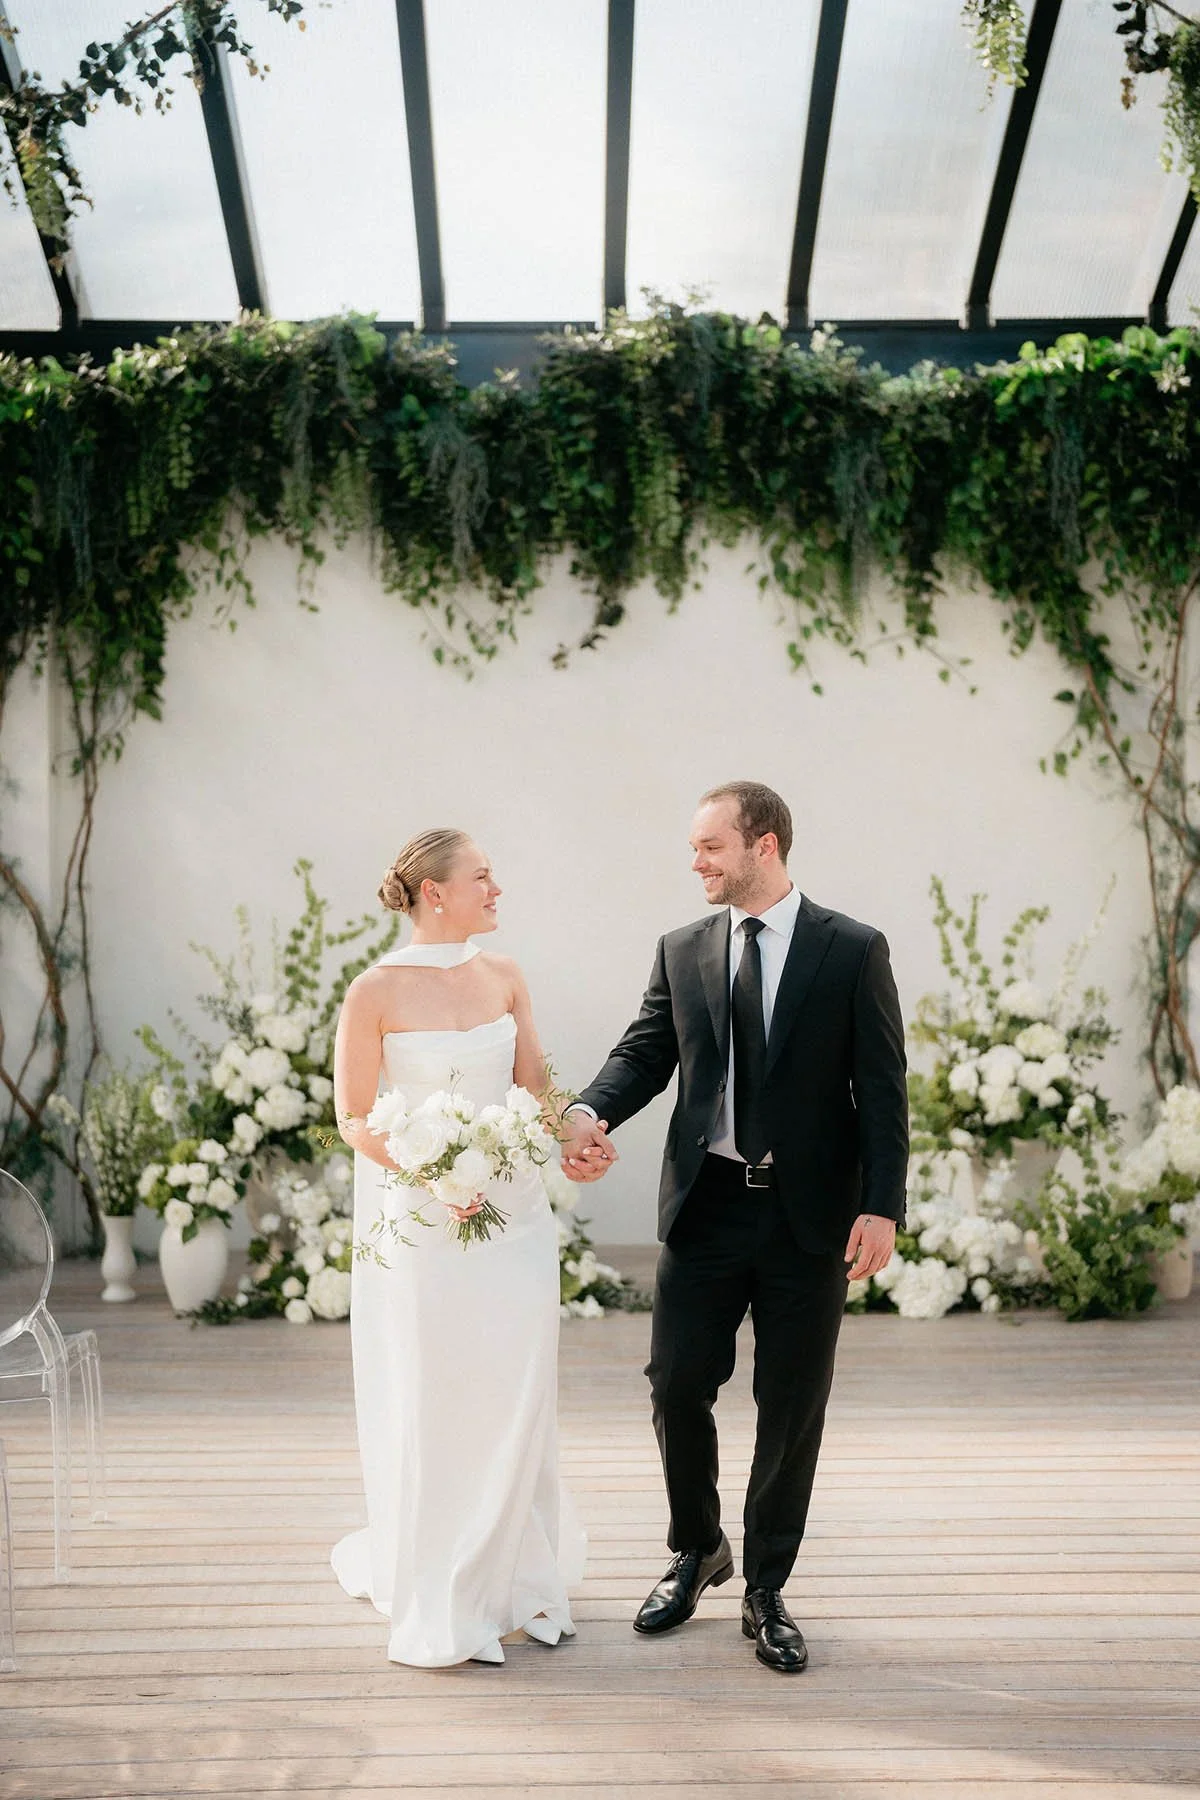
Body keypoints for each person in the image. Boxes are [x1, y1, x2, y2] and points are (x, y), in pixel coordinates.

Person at [560, 781, 907, 1673]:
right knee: (676, 1383)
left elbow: (882, 1088)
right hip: (707, 1205)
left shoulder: (852, 949)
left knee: (791, 1404)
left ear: (766, 845)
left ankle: (766, 1588)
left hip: (809, 1216)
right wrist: (587, 1112)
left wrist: (883, 1204)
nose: (696, 863)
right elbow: (645, 1051)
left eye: (711, 846)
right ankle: (697, 1548)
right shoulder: (683, 949)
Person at [330, 827, 585, 1666]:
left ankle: (520, 1579)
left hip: (514, 1218)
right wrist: (432, 1172)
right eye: (483, 876)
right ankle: (448, 1584)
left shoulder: (504, 975)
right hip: (426, 1225)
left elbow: (535, 1085)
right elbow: (353, 1118)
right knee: (440, 1389)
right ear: (434, 893)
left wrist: (575, 1136)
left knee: (518, 1386)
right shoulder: (373, 991)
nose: (497, 889)